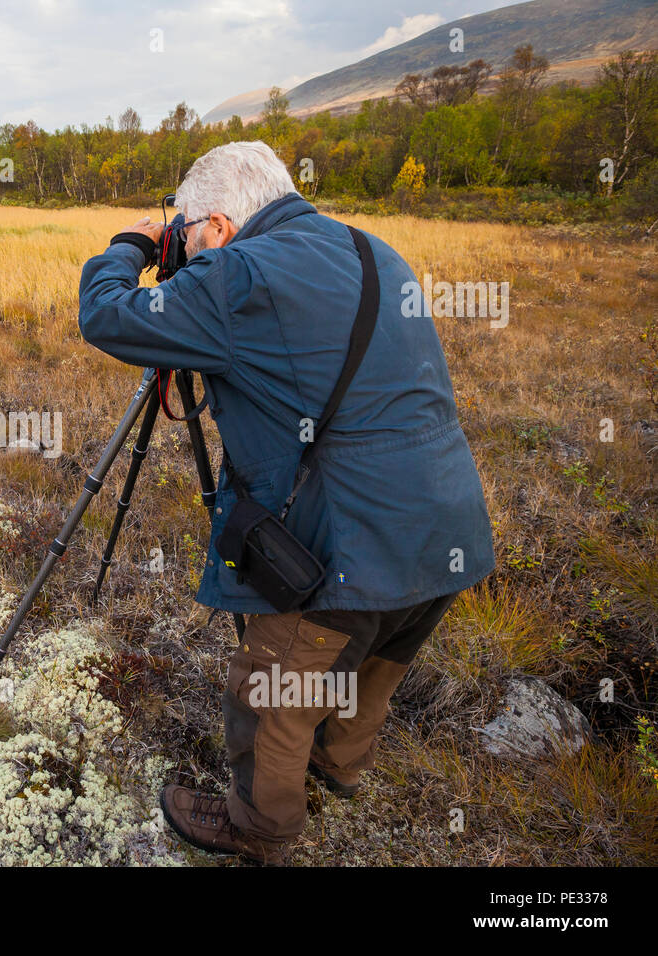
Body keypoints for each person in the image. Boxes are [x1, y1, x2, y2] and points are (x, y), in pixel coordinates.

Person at [77, 141, 495, 864]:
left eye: (190, 234)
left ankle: (260, 826)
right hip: (447, 525)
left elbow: (107, 315)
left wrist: (132, 244)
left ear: (220, 225)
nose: (190, 250)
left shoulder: (239, 270)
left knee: (270, 688)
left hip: (351, 541)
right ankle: (337, 767)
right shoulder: (372, 251)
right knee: (373, 664)